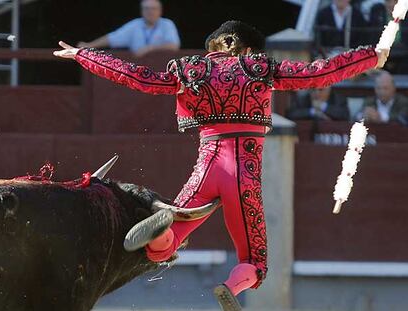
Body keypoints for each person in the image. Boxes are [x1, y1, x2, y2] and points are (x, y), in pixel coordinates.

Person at [54, 20, 388, 311]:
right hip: (243, 174)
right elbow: (320, 73)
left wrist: (85, 56)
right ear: (243, 47)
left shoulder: (190, 70)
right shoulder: (260, 68)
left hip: (207, 169)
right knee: (254, 261)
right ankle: (230, 287)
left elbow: (139, 78)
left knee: (166, 244)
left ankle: (160, 233)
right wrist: (371, 56)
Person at [78, 0, 180, 57]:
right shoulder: (135, 25)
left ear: (160, 11)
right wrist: (90, 45)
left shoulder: (167, 24)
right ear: (141, 11)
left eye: (153, 9)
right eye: (146, 8)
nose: (150, 12)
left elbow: (173, 45)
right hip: (139, 69)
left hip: (161, 69)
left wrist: (150, 48)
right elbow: (112, 38)